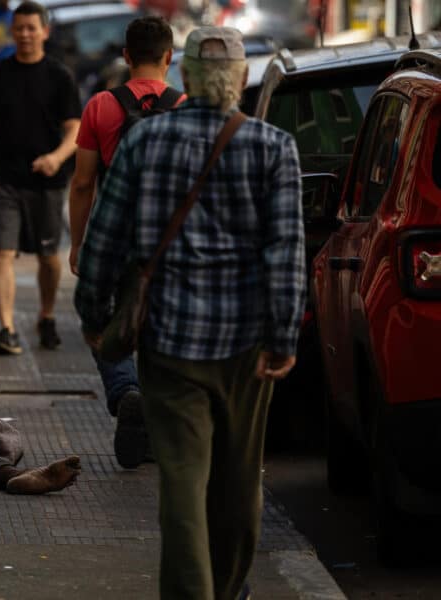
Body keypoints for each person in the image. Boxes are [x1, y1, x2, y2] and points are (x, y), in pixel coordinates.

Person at [74, 27, 305, 600]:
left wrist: (95, 314)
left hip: (170, 343)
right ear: (243, 80)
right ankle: (227, 588)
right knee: (237, 480)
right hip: (247, 348)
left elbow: (104, 236)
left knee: (182, 482)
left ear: (187, 79)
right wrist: (283, 334)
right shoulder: (274, 147)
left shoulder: (144, 141)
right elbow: (286, 250)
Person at [68, 16, 184, 470]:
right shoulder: (187, 107)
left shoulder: (100, 105)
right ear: (169, 57)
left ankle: (125, 390)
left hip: (113, 235)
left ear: (126, 56)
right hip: (170, 242)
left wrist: (79, 244)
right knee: (162, 332)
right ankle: (154, 418)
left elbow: (81, 184)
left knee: (106, 326)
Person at [0, 0, 81, 356]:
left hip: (47, 182)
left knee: (49, 257)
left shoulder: (60, 76)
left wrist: (56, 158)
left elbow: (76, 127)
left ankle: (47, 313)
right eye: (19, 28)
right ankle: (7, 328)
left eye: (31, 28)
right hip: (3, 177)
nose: (25, 35)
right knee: (2, 253)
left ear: (44, 31)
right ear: (12, 31)